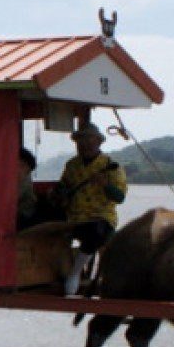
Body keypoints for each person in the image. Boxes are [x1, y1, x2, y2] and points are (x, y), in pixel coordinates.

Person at [53, 122, 127, 295]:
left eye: (89, 140)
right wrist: (57, 194)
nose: (84, 144)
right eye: (80, 141)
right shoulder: (72, 165)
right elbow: (62, 186)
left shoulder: (111, 166)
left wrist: (105, 185)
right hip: (74, 217)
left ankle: (75, 272)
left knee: (96, 232)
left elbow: (120, 197)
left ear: (99, 142)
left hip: (100, 217)